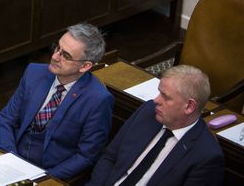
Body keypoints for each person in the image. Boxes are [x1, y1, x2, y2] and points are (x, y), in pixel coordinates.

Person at [0, 23, 113, 180]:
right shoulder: (34, 72)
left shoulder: (98, 100)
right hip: (12, 157)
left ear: (85, 66)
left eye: (66, 56)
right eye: (57, 48)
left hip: (49, 173)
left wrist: (44, 179)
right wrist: (11, 160)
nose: (55, 57)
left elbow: (86, 156)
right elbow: (6, 119)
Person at [87, 65, 225, 186]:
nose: (156, 100)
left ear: (189, 106)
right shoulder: (148, 111)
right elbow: (110, 157)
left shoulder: (206, 156)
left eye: (166, 97)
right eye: (159, 92)